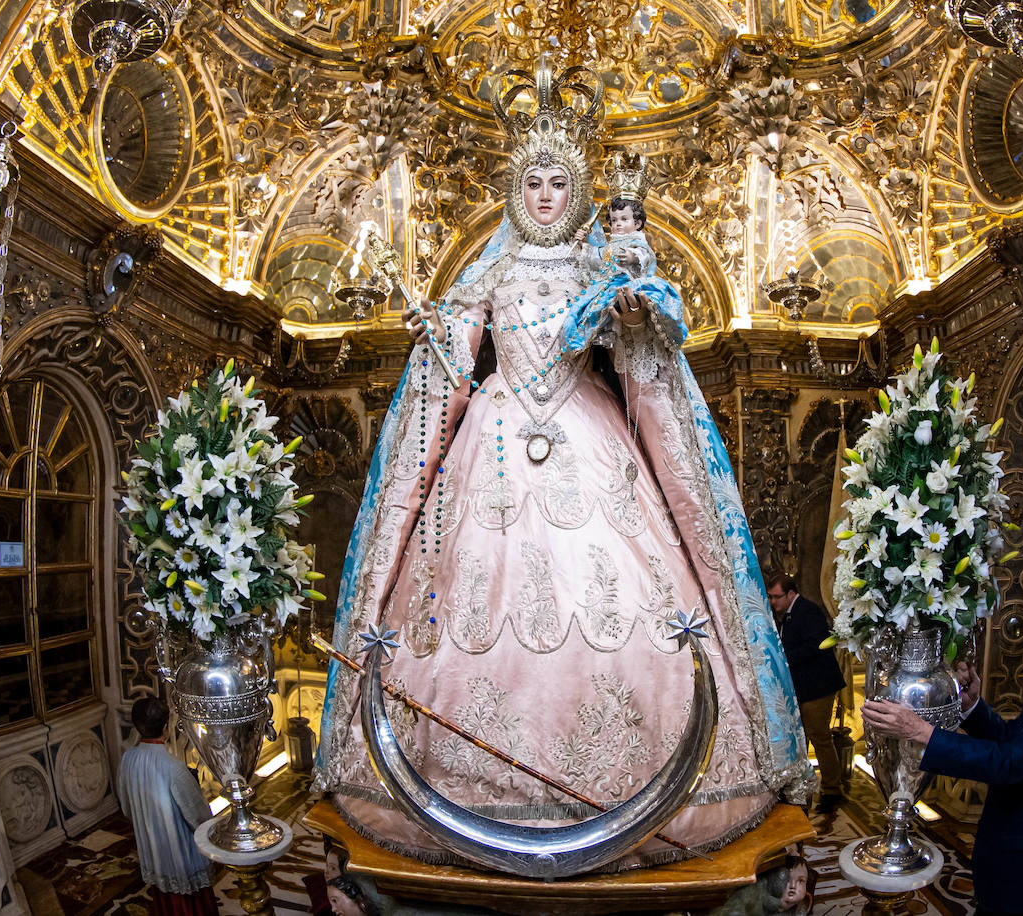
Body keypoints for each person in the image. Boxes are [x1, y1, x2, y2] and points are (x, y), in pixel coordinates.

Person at [318, 60, 812, 871]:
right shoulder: (492, 271)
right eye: (534, 181)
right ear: (517, 192)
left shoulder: (601, 264)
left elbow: (645, 353)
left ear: (578, 192)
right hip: (498, 439)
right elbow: (456, 356)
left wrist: (631, 309)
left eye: (558, 181)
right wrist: (432, 331)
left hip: (590, 436)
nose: (545, 194)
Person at [861, 600, 1023, 916]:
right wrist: (972, 707)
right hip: (1009, 853)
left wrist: (922, 732)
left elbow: (1009, 763)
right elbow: (1013, 741)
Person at [116, 697, 218, 916]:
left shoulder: (127, 760)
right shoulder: (174, 768)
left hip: (153, 853)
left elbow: (126, 809)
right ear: (165, 727)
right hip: (181, 858)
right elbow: (199, 819)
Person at [767, 574, 846, 813]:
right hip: (804, 687)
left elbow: (816, 645)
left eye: (776, 597)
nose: (773, 602)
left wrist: (784, 657)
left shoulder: (807, 611)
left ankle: (832, 789)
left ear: (791, 594)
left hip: (818, 686)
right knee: (806, 737)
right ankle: (804, 785)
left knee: (820, 736)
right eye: (770, 597)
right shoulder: (787, 614)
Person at [602, 197, 655, 279]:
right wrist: (583, 244)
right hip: (609, 281)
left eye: (624, 219)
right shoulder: (612, 243)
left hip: (628, 281)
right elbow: (598, 256)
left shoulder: (637, 240)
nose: (618, 224)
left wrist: (633, 257)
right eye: (614, 220)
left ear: (637, 224)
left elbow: (646, 255)